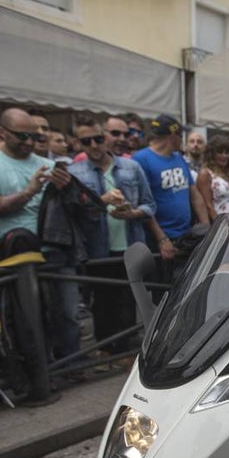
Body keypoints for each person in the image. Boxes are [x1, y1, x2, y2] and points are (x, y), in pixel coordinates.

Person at [0, 107, 79, 361]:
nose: (29, 143)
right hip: (15, 255)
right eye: (22, 136)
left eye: (35, 137)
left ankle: (72, 363)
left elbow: (74, 209)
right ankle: (38, 369)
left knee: (67, 312)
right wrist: (30, 191)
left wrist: (67, 190)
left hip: (55, 248)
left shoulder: (49, 165)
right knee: (28, 319)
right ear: (2, 132)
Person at [68, 118, 154, 357]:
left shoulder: (131, 167)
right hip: (96, 248)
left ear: (105, 137)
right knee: (102, 301)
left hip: (129, 245)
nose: (94, 145)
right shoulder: (74, 172)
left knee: (128, 300)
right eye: (86, 141)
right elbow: (71, 213)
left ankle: (126, 353)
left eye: (98, 139)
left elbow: (149, 205)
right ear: (78, 143)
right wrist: (100, 201)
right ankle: (106, 352)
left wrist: (132, 212)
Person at [130, 114, 194, 268]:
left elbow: (194, 192)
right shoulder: (141, 159)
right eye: (181, 135)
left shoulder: (179, 158)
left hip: (184, 235)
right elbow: (144, 202)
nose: (182, 139)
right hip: (160, 238)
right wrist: (162, 239)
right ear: (173, 135)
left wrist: (205, 227)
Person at [195, 136, 229, 223]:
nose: (224, 156)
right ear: (211, 154)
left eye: (227, 153)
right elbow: (208, 205)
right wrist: (220, 226)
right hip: (219, 224)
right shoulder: (205, 174)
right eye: (220, 152)